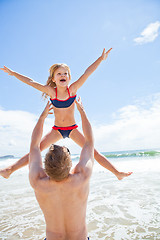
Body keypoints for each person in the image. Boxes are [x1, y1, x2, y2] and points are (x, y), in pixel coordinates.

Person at [0, 48, 132, 180]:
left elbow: (87, 73)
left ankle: (117, 173)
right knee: (36, 150)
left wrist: (100, 59)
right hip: (56, 130)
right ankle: (9, 170)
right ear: (53, 78)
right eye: (59, 74)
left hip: (72, 129)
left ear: (69, 78)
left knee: (93, 151)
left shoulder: (73, 89)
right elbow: (31, 82)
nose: (62, 75)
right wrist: (13, 73)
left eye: (65, 73)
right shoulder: (51, 92)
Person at [29, 98, 93, 240]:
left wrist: (42, 116)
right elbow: (89, 142)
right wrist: (82, 111)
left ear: (45, 166)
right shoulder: (82, 177)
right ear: (71, 164)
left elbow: (34, 146)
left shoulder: (37, 181)